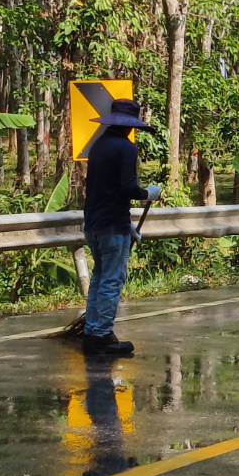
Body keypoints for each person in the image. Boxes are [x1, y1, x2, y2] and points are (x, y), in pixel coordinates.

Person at [82, 99, 161, 357]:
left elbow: (104, 189)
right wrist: (148, 193)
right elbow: (127, 188)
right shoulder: (126, 148)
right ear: (129, 125)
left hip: (93, 223)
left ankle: (92, 331)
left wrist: (129, 225)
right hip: (113, 226)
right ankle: (102, 335)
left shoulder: (98, 145)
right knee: (112, 280)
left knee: (99, 277)